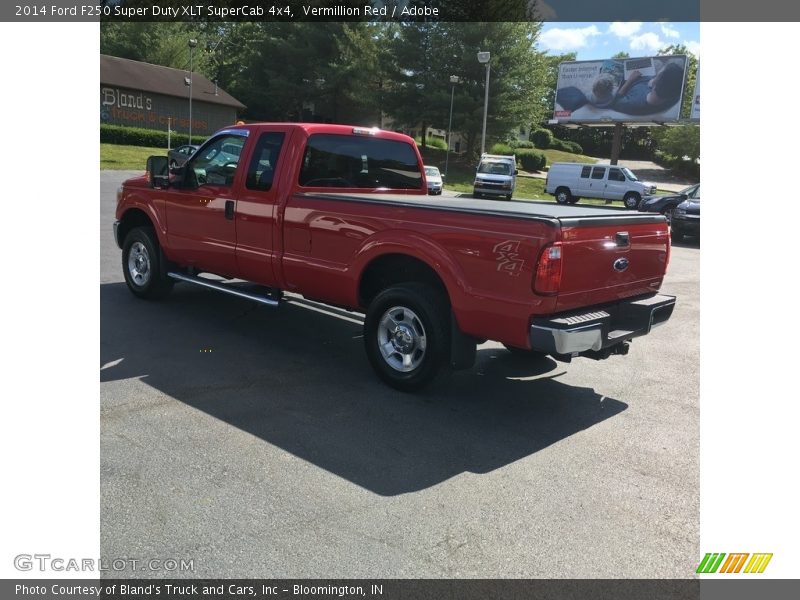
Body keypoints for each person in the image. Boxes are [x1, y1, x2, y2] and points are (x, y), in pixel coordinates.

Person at [611, 62, 684, 116]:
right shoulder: (674, 96)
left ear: (656, 80)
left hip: (625, 81)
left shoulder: (633, 103)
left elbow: (615, 102)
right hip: (641, 78)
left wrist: (629, 81)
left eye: (658, 74)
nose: (657, 74)